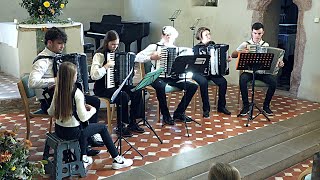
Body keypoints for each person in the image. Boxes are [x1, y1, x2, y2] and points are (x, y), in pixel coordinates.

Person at [28, 27, 104, 154]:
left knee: (93, 101)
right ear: (49, 42)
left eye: (63, 43)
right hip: (50, 100)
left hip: (62, 95)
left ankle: (86, 139)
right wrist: (56, 80)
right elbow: (32, 82)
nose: (62, 46)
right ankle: (83, 146)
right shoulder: (42, 61)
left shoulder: (58, 57)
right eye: (59, 43)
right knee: (77, 108)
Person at [48, 62, 133, 170]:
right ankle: (117, 160)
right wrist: (92, 110)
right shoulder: (76, 92)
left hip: (59, 130)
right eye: (75, 74)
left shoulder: (57, 90)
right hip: (73, 132)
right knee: (101, 128)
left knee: (84, 127)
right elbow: (83, 117)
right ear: (72, 77)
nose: (76, 76)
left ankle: (83, 158)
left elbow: (50, 112)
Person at [135, 26, 198, 125]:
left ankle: (179, 113)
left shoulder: (176, 49)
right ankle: (166, 115)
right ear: (162, 36)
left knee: (193, 86)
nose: (169, 38)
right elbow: (137, 57)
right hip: (156, 76)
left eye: (171, 36)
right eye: (167, 35)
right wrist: (151, 57)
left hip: (173, 77)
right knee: (160, 86)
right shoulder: (154, 47)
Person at [90, 30, 145, 137]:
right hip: (103, 87)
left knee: (137, 90)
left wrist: (130, 72)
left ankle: (133, 122)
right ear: (107, 43)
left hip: (117, 85)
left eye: (117, 44)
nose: (115, 47)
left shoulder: (119, 55)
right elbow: (94, 75)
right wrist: (106, 66)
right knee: (122, 96)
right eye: (112, 44)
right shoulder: (99, 55)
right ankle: (121, 126)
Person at [231, 22, 285, 116]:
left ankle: (266, 106)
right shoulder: (245, 44)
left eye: (259, 33)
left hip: (262, 72)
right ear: (252, 32)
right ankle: (246, 106)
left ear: (263, 33)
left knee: (273, 82)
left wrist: (279, 63)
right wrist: (241, 51)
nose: (257, 35)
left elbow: (271, 62)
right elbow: (233, 55)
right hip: (249, 71)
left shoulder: (266, 45)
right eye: (255, 33)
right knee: (242, 80)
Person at [193, 27, 231, 117]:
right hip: (199, 73)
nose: (209, 36)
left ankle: (221, 106)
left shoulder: (215, 46)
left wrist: (226, 59)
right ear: (200, 37)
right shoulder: (196, 48)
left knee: (223, 82)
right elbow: (194, 62)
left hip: (212, 72)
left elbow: (220, 60)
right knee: (203, 82)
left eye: (209, 34)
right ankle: (206, 109)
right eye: (206, 35)